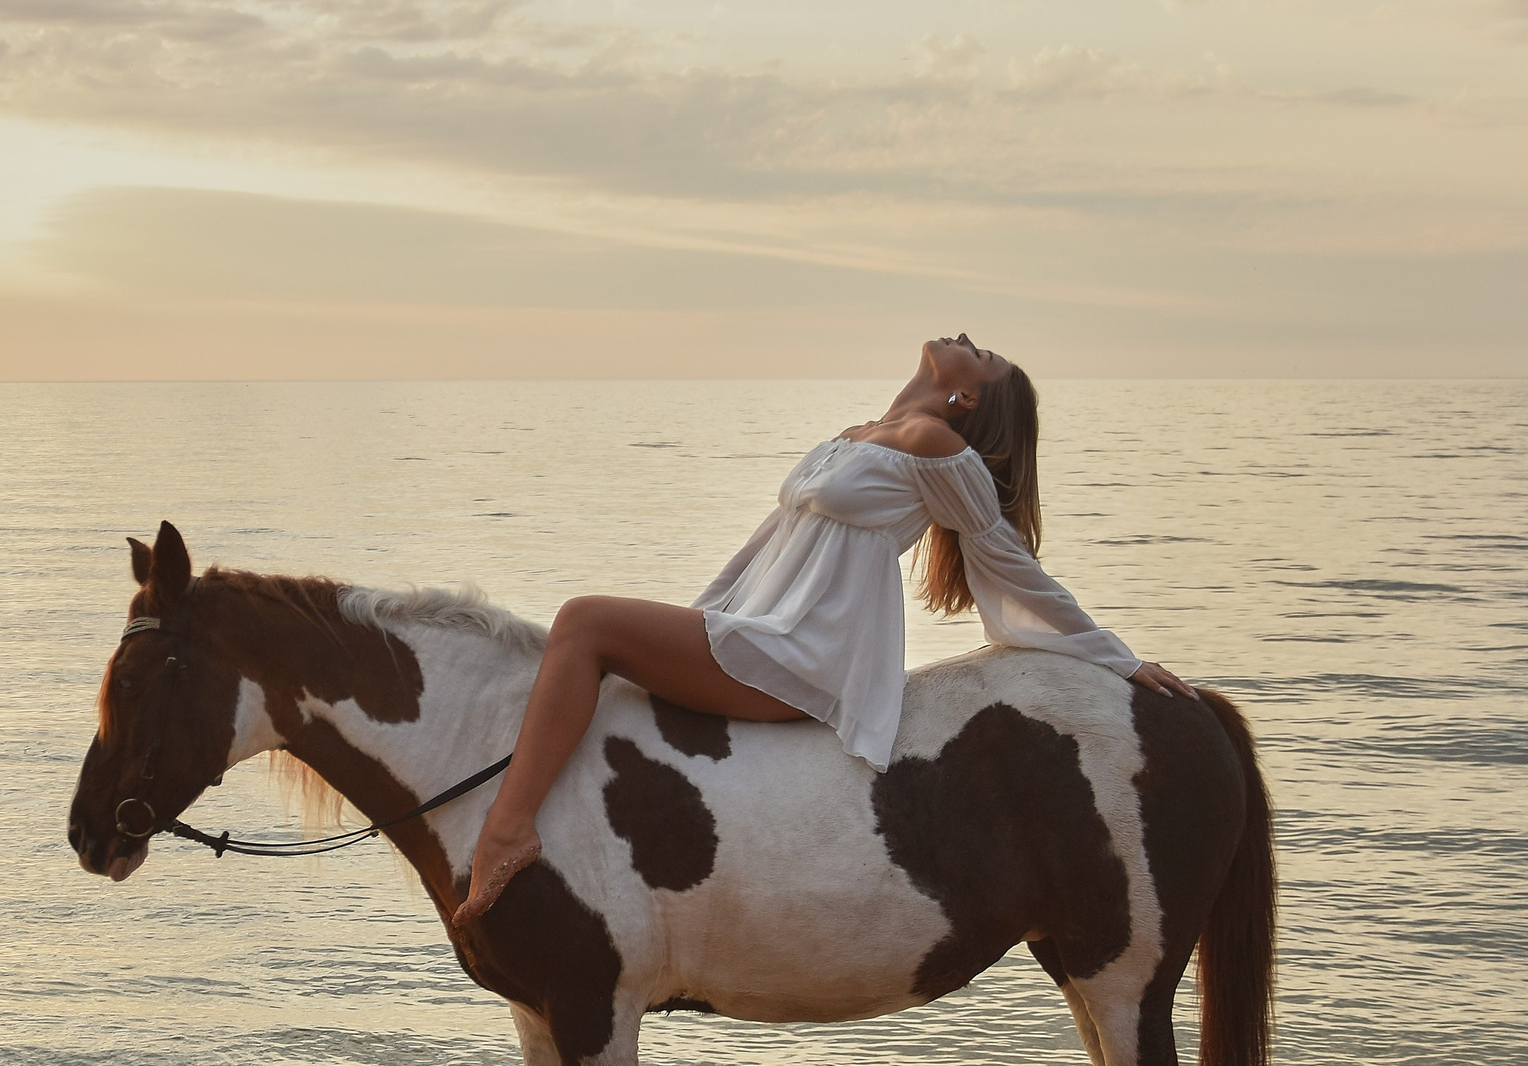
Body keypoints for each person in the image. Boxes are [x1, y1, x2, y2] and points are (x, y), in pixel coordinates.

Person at [453, 333, 1200, 927]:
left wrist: (1115, 658)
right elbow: (771, 542)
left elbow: (1005, 557)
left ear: (967, 393)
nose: (971, 337)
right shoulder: (862, 434)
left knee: (582, 621)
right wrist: (700, 618)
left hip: (804, 654)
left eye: (987, 353)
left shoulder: (936, 445)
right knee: (597, 642)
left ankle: (511, 828)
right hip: (757, 626)